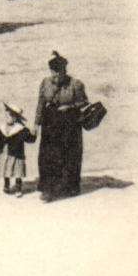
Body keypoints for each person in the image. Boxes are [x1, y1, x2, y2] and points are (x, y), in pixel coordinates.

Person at [35, 51, 89, 201]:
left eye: (59, 72)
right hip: (50, 124)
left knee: (70, 156)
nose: (55, 76)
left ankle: (70, 187)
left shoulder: (75, 84)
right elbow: (40, 104)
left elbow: (84, 102)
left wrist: (70, 106)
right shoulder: (45, 83)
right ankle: (48, 189)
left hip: (70, 124)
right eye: (53, 72)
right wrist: (36, 124)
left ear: (64, 71)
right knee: (48, 156)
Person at [0, 103, 36, 197]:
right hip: (5, 153)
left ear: (15, 118)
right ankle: (6, 185)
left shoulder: (20, 130)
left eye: (9, 116)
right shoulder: (1, 129)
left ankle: (18, 187)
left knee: (18, 171)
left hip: (17, 154)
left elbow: (29, 139)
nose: (7, 118)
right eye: (6, 116)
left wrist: (34, 134)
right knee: (6, 170)